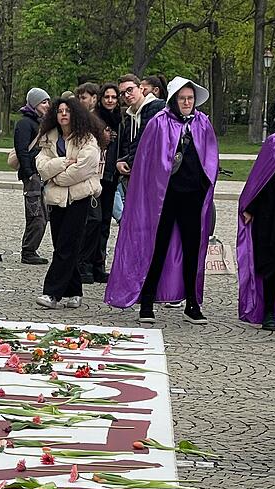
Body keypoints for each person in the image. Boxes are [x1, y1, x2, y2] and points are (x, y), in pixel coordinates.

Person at [105, 77, 219, 324]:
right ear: (174, 100)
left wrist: (202, 189)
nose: (187, 102)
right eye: (182, 98)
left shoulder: (202, 124)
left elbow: (210, 159)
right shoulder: (159, 123)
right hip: (163, 199)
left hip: (192, 198)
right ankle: (147, 302)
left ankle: (192, 303)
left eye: (190, 98)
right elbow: (147, 160)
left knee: (192, 250)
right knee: (157, 248)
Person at [34, 96, 102, 309]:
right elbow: (42, 166)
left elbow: (84, 168)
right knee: (62, 244)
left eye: (67, 111)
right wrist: (63, 163)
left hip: (79, 198)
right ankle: (75, 290)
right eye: (59, 111)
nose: (63, 114)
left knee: (66, 245)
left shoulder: (87, 139)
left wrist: (57, 176)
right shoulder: (49, 138)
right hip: (56, 199)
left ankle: (52, 293)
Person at [236, 132, 275, 330]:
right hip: (272, 212)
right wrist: (251, 206)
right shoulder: (274, 143)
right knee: (272, 263)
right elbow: (261, 178)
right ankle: (269, 310)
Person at [76, 82, 110, 283]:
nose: (82, 101)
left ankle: (95, 264)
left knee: (99, 222)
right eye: (80, 97)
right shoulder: (79, 118)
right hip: (86, 176)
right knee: (90, 221)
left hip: (101, 175)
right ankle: (83, 264)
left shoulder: (97, 118)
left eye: (85, 97)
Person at [14, 87, 50, 265]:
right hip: (32, 175)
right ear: (35, 104)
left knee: (43, 215)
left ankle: (30, 249)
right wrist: (29, 174)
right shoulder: (25, 124)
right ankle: (28, 250)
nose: (47, 105)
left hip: (41, 174)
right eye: (43, 102)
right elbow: (22, 150)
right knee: (36, 215)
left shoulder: (41, 122)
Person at [115, 74, 164, 183]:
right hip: (138, 176)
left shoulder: (160, 108)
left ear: (141, 88)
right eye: (122, 93)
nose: (127, 95)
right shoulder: (129, 117)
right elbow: (135, 148)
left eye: (130, 90)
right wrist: (122, 162)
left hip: (158, 175)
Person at [96, 82, 122, 274]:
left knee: (105, 222)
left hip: (112, 175)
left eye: (113, 97)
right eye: (107, 97)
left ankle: (99, 263)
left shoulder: (120, 119)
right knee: (94, 222)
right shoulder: (95, 118)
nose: (110, 101)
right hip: (97, 174)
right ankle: (88, 263)